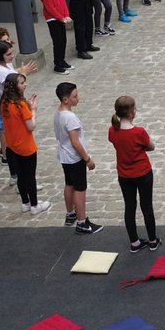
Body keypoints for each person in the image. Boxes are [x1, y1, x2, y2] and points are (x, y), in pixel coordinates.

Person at [108, 95, 161, 253]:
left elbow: (116, 143)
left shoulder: (112, 131)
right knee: (147, 206)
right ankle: (152, 240)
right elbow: (151, 146)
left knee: (129, 207)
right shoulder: (139, 132)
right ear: (131, 112)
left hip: (124, 175)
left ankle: (135, 242)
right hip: (143, 173)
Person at [54, 82, 102, 234]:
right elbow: (75, 142)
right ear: (65, 99)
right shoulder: (71, 118)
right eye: (74, 96)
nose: (77, 98)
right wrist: (87, 159)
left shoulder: (58, 113)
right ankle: (82, 222)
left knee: (69, 184)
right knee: (80, 188)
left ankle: (70, 214)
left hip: (64, 155)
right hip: (75, 158)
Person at [0, 73, 51, 215]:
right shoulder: (20, 105)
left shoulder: (4, 102)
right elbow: (31, 126)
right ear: (15, 86)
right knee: (30, 177)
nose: (25, 85)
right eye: (22, 83)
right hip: (26, 147)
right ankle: (35, 205)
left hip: (12, 147)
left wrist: (28, 105)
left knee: (21, 177)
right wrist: (33, 110)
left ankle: (25, 203)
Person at [0, 40, 36, 184]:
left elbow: (12, 73)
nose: (12, 56)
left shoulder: (5, 66)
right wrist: (23, 74)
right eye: (8, 54)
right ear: (0, 56)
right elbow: (14, 86)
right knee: (12, 142)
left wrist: (20, 72)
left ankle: (18, 176)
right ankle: (16, 176)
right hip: (8, 104)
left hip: (12, 102)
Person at [39, 0, 73, 75]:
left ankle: (62, 61)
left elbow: (63, 2)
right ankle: (57, 65)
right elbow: (50, 8)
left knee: (63, 40)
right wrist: (61, 18)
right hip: (53, 19)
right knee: (57, 42)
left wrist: (66, 15)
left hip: (61, 18)